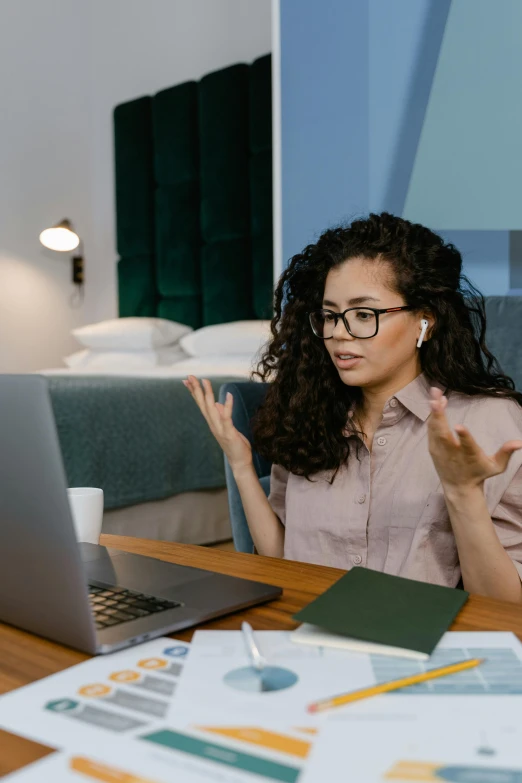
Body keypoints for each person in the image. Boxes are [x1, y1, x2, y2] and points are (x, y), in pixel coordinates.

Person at [184, 213, 522, 602]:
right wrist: (242, 464)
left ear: (424, 322)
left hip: (419, 651)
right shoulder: (309, 416)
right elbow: (282, 561)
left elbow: (505, 606)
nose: (340, 333)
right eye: (330, 316)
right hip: (306, 638)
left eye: (364, 315)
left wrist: (463, 495)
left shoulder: (487, 420)